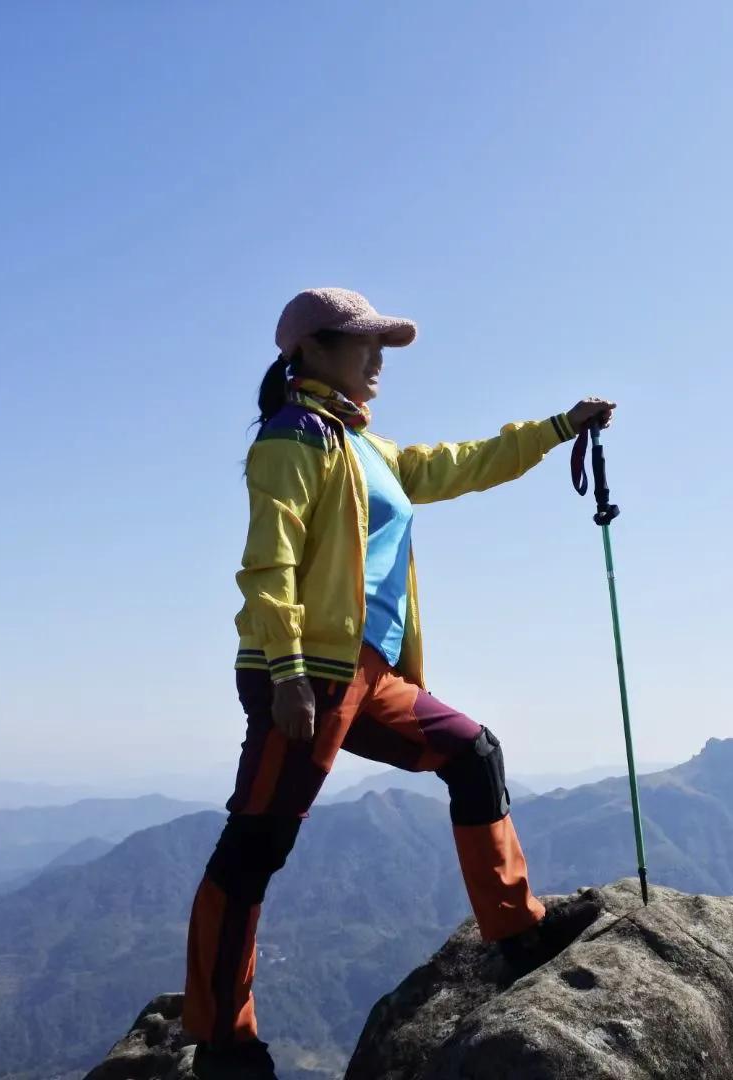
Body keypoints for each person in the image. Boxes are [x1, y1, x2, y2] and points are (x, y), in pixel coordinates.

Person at [182, 286, 615, 1070]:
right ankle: (220, 1040)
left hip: (367, 675)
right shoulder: (293, 440)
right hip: (306, 674)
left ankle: (516, 933)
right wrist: (285, 674)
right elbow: (267, 564)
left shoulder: (366, 448)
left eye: (380, 345)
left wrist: (559, 429)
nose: (378, 359)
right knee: (254, 847)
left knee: (473, 754)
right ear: (309, 350)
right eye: (363, 343)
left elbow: (461, 464)